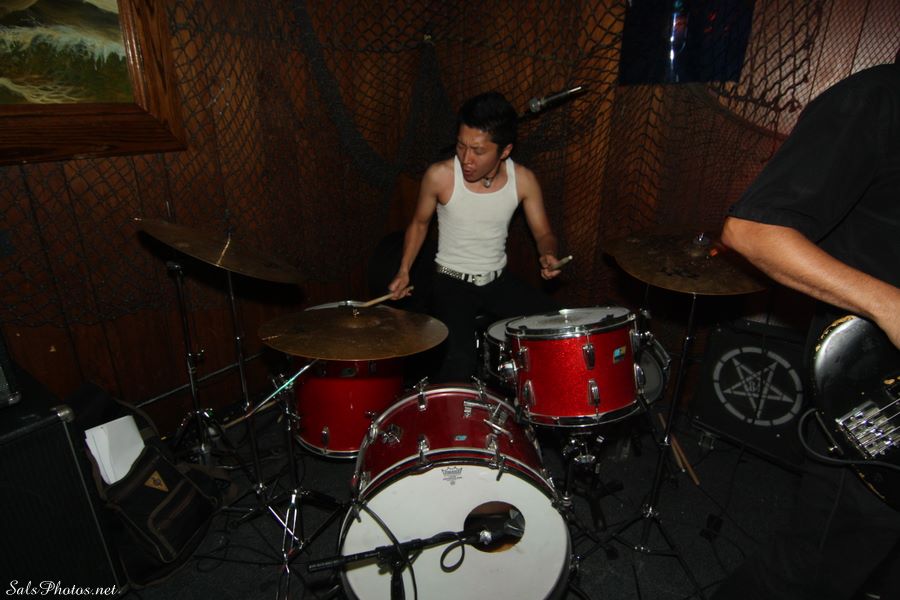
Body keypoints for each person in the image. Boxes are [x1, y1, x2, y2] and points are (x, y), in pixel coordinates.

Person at [711, 60, 900, 599]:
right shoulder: (879, 98)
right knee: (813, 570)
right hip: (873, 392)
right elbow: (753, 230)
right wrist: (890, 306)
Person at [388, 91, 562, 382]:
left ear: (504, 151)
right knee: (459, 362)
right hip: (451, 281)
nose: (466, 159)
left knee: (556, 326)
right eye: (461, 146)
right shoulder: (440, 175)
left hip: (497, 280)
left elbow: (544, 233)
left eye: (478, 151)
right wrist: (404, 270)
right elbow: (419, 223)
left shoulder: (523, 180)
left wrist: (549, 253)